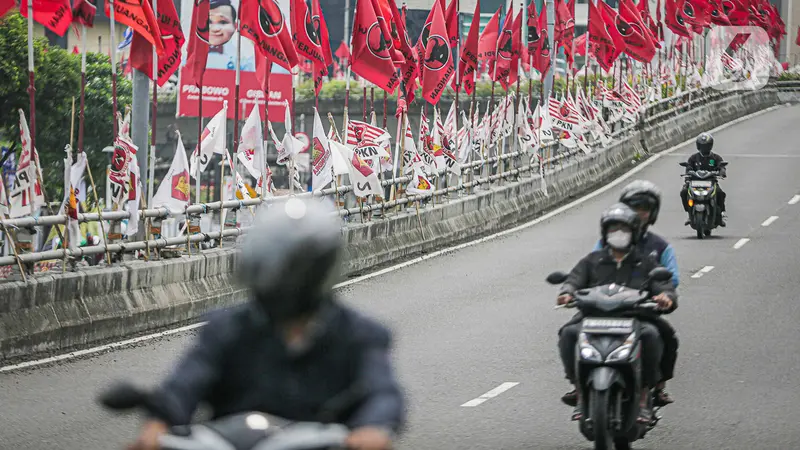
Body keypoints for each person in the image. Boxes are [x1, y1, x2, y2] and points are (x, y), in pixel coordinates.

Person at [127, 198, 405, 450]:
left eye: (288, 268)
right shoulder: (228, 327)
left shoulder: (358, 334)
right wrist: (158, 424)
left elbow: (382, 392)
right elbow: (186, 382)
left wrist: (371, 429)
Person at [556, 203, 678, 424]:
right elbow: (574, 279)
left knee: (657, 335)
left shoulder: (645, 261)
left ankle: (645, 393)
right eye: (613, 229)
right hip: (593, 317)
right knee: (568, 333)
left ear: (634, 232)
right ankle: (578, 388)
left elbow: (663, 285)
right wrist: (567, 293)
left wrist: (665, 297)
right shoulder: (592, 260)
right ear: (605, 232)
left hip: (635, 318)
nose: (618, 234)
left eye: (623, 229)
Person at [681, 132, 727, 226]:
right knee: (684, 192)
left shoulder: (715, 158)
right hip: (695, 183)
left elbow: (721, 166)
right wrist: (688, 174)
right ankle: (689, 213)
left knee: (720, 193)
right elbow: (688, 167)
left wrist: (722, 171)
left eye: (706, 146)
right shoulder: (694, 158)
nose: (704, 148)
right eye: (702, 146)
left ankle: (721, 213)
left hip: (710, 183)